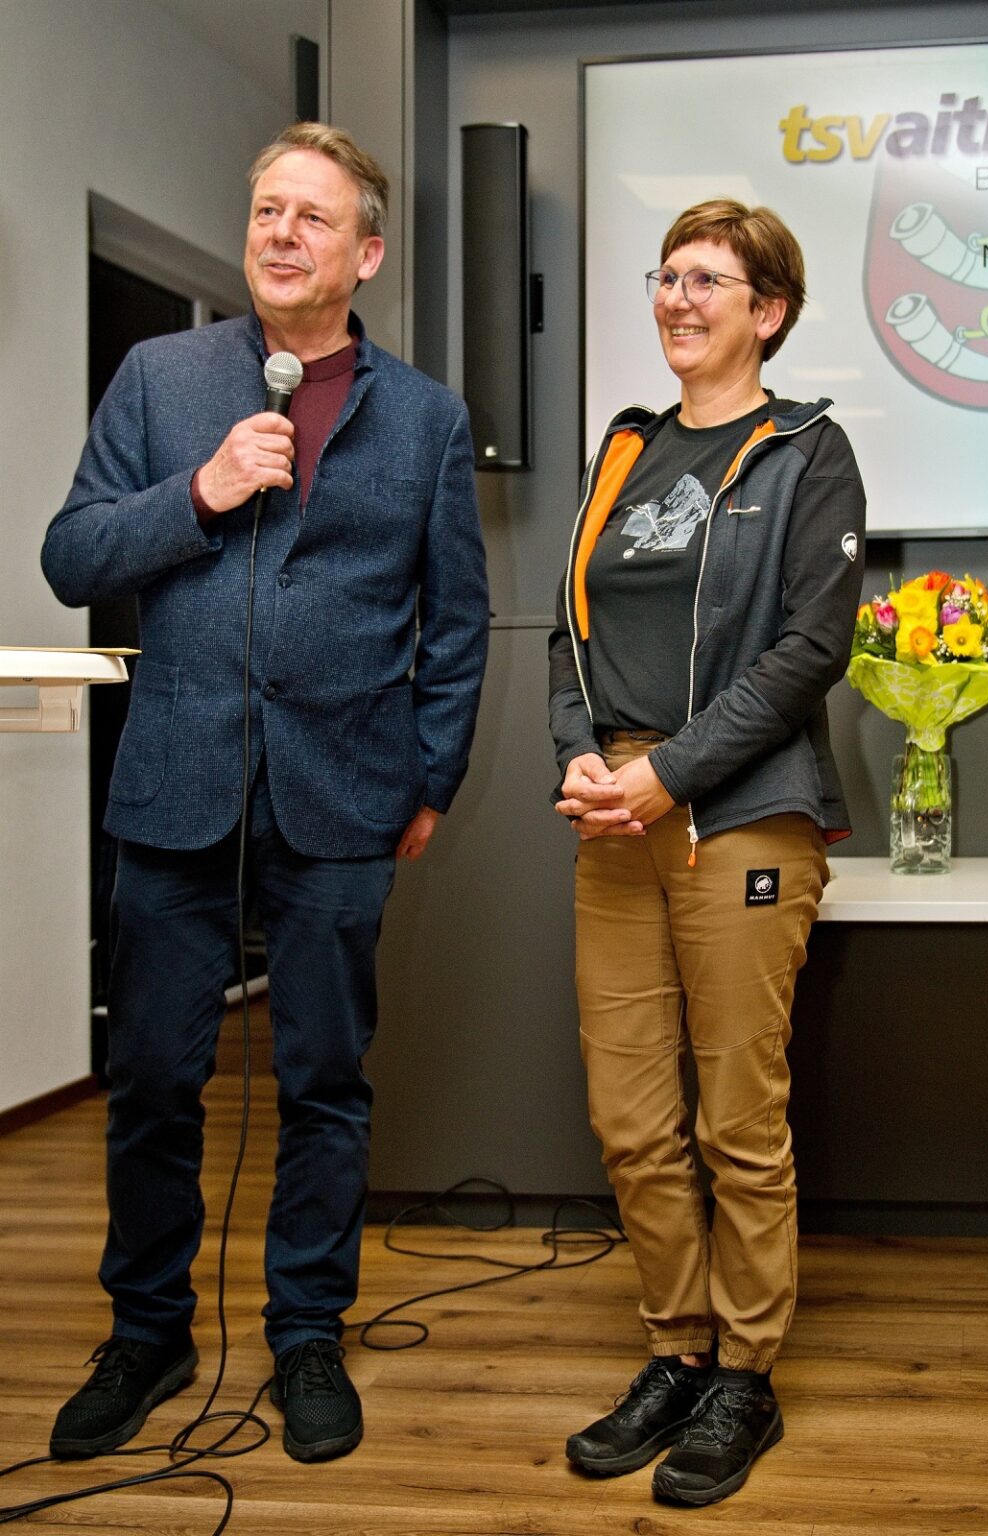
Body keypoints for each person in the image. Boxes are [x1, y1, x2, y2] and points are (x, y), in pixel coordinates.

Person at [41, 122, 488, 1465]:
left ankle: (307, 1336)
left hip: (345, 796)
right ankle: (147, 1332)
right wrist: (201, 488)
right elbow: (72, 554)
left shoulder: (428, 418)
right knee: (152, 1080)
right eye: (266, 210)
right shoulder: (160, 378)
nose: (280, 233)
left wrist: (430, 775)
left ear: (367, 253)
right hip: (174, 788)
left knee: (324, 1084)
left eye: (312, 216)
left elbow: (456, 622)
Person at [549, 200, 864, 1507]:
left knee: (738, 1117)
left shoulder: (808, 449)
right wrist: (580, 753)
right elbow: (570, 629)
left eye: (708, 280)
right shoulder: (625, 448)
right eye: (667, 275)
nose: (678, 298)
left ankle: (745, 1373)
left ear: (767, 311)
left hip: (737, 810)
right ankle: (676, 1351)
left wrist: (669, 773)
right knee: (630, 1118)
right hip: (614, 811)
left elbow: (809, 651)